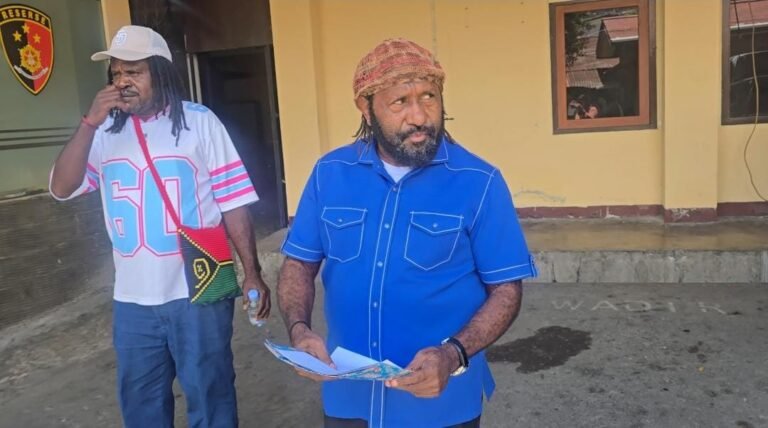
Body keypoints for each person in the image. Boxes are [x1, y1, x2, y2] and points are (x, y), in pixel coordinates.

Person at [277, 38, 537, 427]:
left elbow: (506, 291)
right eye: (400, 102)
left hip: (440, 404)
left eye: (429, 97)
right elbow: (298, 264)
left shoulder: (479, 182)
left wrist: (453, 354)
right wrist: (299, 330)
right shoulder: (329, 174)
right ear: (365, 108)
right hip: (349, 398)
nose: (419, 117)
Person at [49, 25, 270, 427]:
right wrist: (89, 123)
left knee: (211, 396)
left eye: (134, 72)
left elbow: (234, 204)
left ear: (161, 73)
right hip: (132, 300)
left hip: (198, 292)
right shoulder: (104, 133)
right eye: (116, 73)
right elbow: (62, 188)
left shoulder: (200, 123)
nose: (122, 82)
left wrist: (252, 273)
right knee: (141, 405)